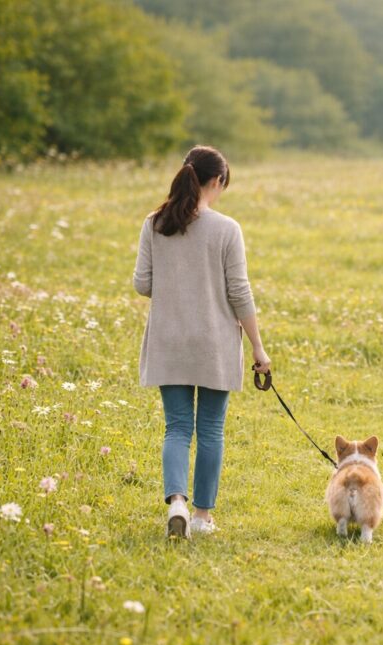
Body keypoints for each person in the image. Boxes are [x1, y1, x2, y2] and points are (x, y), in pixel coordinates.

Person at [132, 145, 271, 539]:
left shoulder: (154, 223)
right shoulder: (227, 229)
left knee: (177, 428)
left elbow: (142, 283)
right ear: (217, 181)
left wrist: (175, 283)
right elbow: (239, 292)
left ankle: (176, 501)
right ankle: (201, 517)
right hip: (214, 342)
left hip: (169, 340)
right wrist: (258, 347)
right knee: (210, 429)